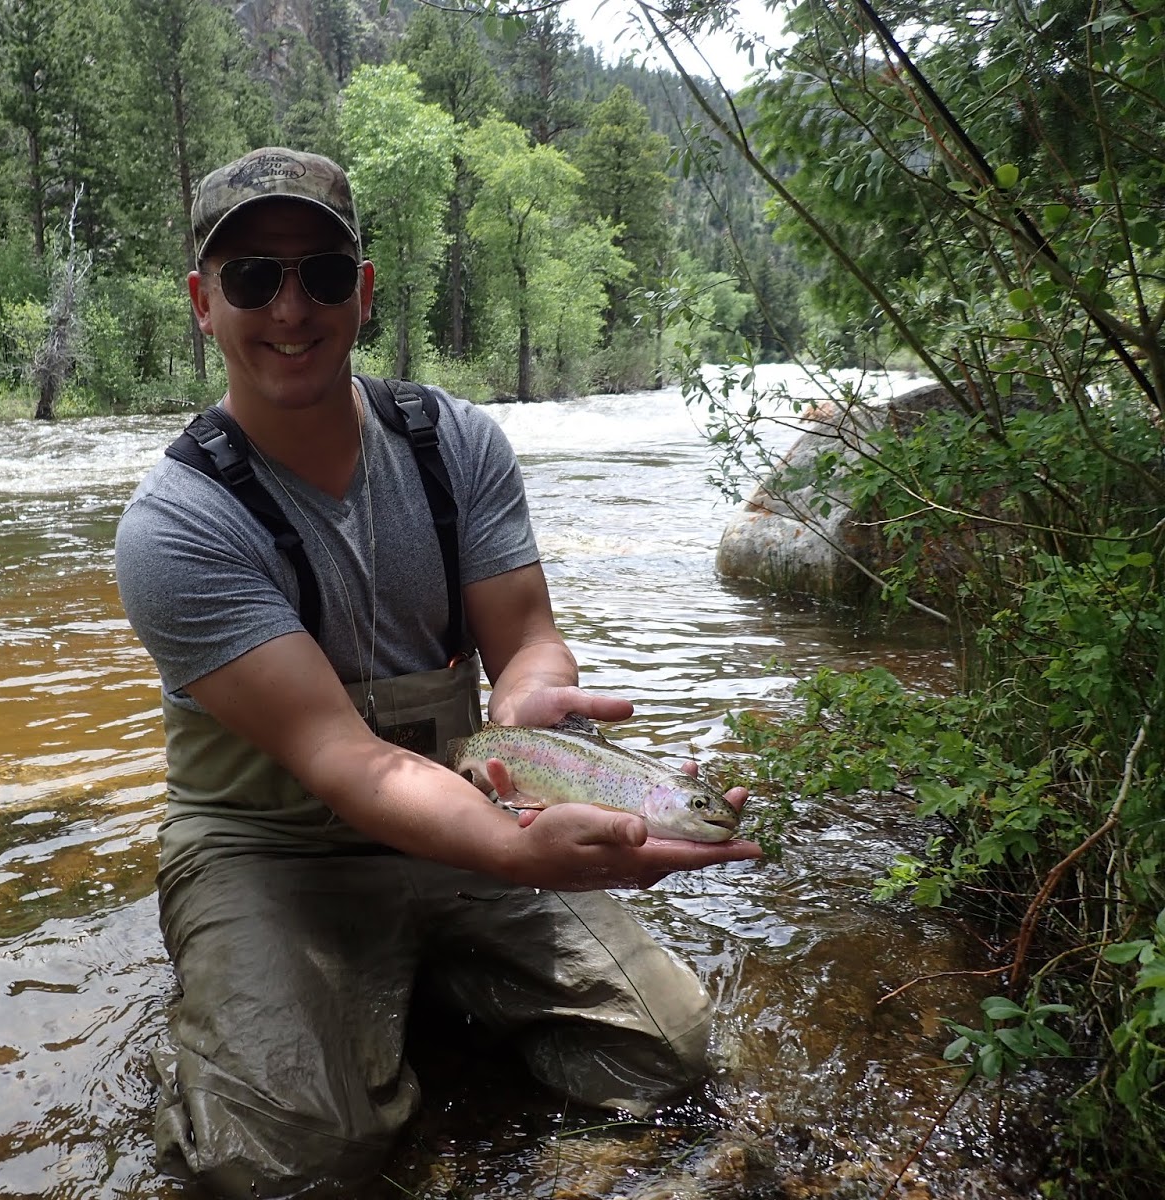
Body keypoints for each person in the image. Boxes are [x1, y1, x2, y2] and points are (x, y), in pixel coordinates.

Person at [113, 146, 762, 1198]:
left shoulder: (451, 442)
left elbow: (529, 637)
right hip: (276, 848)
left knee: (664, 1052)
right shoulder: (178, 527)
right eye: (250, 278)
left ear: (362, 293)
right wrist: (521, 855)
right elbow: (345, 761)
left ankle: (413, 997)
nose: (290, 307)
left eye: (321, 273)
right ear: (201, 303)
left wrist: (527, 710)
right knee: (287, 1163)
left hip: (467, 806)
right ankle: (237, 1036)